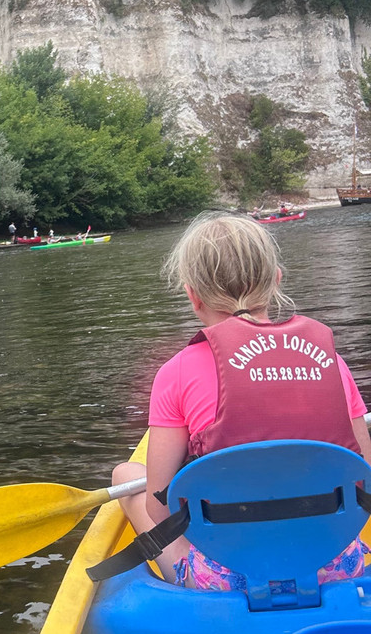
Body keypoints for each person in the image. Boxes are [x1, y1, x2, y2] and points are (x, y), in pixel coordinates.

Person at [110, 212, 371, 590]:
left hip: (228, 579)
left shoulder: (175, 373)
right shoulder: (329, 361)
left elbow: (159, 507)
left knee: (127, 476)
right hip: (334, 566)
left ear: (192, 294)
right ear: (276, 279)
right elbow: (363, 472)